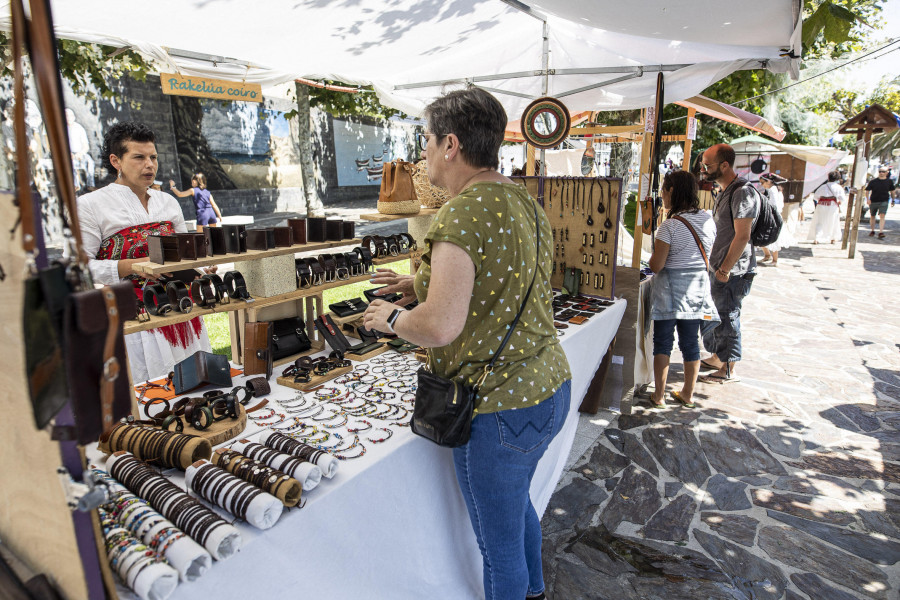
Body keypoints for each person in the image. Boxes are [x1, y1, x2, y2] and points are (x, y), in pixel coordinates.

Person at [362, 88, 570, 600]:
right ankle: (537, 592)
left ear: (451, 144)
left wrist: (392, 317)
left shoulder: (460, 213)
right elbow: (503, 276)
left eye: (427, 141)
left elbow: (438, 328)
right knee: (519, 508)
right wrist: (420, 283)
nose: (423, 154)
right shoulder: (522, 198)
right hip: (547, 386)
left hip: (499, 404)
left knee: (498, 552)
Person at [77, 122, 212, 382]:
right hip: (133, 316)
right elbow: (79, 267)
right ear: (116, 161)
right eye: (139, 157)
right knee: (151, 390)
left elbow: (183, 253)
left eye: (153, 157)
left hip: (180, 304)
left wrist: (202, 268)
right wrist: (132, 266)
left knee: (198, 381)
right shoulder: (90, 205)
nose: (149, 164)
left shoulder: (168, 202)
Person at [647, 171, 719, 408]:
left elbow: (657, 265)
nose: (662, 196)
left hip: (670, 291)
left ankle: (659, 396)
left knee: (663, 343)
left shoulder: (670, 226)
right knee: (690, 344)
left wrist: (651, 259)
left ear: (672, 192)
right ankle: (688, 394)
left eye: (664, 191)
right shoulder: (708, 220)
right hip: (696, 289)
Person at [696, 143, 758, 384]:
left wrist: (725, 269)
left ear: (724, 165)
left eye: (707, 165)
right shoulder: (725, 189)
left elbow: (743, 235)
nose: (703, 169)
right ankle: (717, 357)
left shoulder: (742, 192)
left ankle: (729, 367)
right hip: (719, 266)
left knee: (727, 315)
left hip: (732, 270)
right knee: (716, 315)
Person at [759, 173, 792, 265]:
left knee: (773, 237)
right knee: (763, 236)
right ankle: (767, 255)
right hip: (772, 215)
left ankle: (775, 260)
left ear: (768, 181)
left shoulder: (772, 190)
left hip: (773, 216)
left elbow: (774, 205)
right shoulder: (775, 189)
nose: (762, 185)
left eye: (763, 182)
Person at [807, 171, 845, 244]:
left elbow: (815, 197)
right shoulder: (838, 187)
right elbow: (842, 199)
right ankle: (833, 238)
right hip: (832, 206)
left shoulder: (823, 187)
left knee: (820, 222)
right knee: (833, 221)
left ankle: (817, 238)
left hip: (821, 205)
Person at [66, 108, 96, 190]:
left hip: (80, 153)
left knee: (90, 161)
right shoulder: (62, 129)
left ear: (74, 117)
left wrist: (81, 153)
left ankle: (90, 185)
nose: (69, 118)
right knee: (71, 163)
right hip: (68, 154)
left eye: (70, 116)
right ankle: (76, 185)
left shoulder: (79, 128)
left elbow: (86, 146)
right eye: (66, 116)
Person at [865, 167, 894, 239]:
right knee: (872, 216)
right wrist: (868, 199)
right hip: (874, 200)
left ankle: (881, 232)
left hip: (884, 201)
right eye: (880, 171)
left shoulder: (889, 181)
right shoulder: (873, 181)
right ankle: (872, 230)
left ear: (887, 172)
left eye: (883, 172)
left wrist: (893, 200)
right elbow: (867, 190)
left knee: (882, 216)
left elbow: (892, 191)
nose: (881, 173)